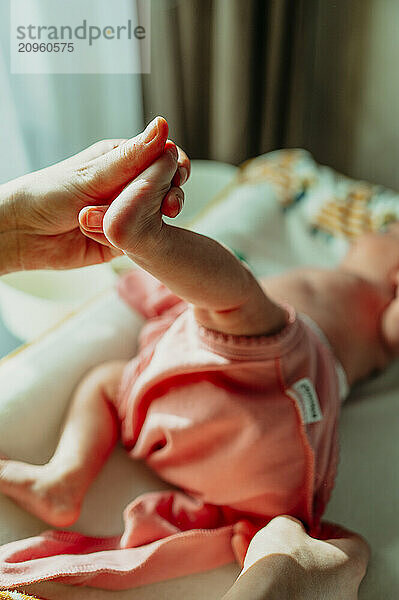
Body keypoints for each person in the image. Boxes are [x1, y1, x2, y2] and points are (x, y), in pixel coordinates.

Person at [0, 117, 369, 599]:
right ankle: (65, 475)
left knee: (230, 301)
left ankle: (66, 476)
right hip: (254, 468)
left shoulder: (377, 292)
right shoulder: (352, 274)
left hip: (257, 387)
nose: (372, 236)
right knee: (121, 372)